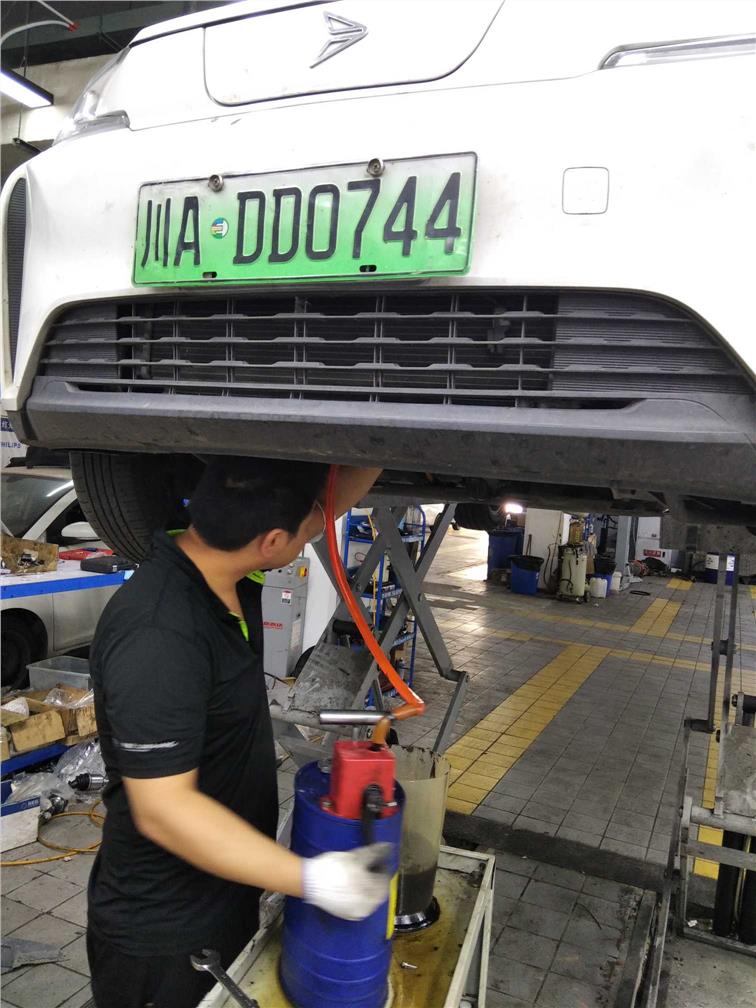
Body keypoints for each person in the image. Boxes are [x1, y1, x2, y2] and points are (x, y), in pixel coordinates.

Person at [86, 456, 387, 1008]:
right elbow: (164, 810)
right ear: (271, 542)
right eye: (305, 534)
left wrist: (378, 440)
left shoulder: (221, 565)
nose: (312, 533)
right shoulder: (159, 635)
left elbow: (322, 506)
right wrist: (314, 880)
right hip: (162, 933)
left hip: (221, 891)